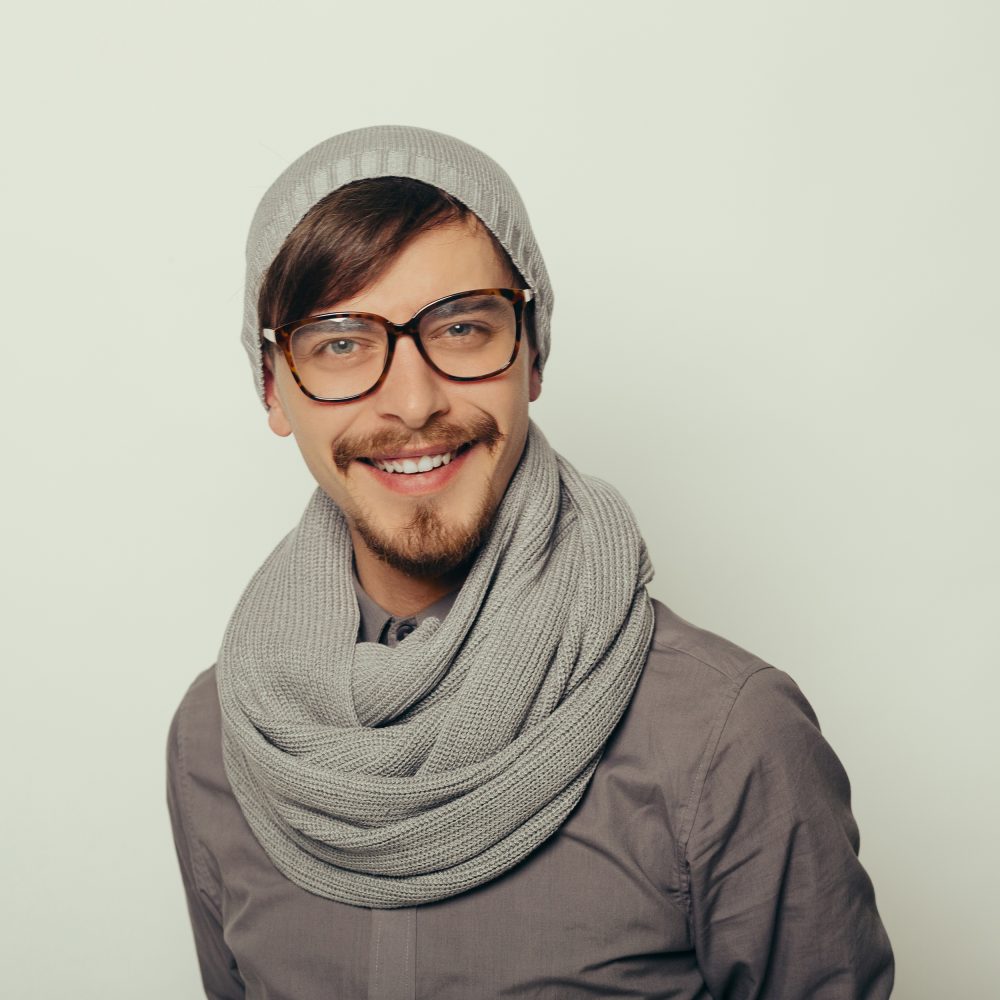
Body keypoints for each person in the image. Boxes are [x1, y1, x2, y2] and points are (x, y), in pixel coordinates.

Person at [167, 125, 894, 999]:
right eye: (341, 342)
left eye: (463, 327)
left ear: (533, 353)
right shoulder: (220, 738)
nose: (412, 401)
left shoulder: (726, 739)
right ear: (274, 388)